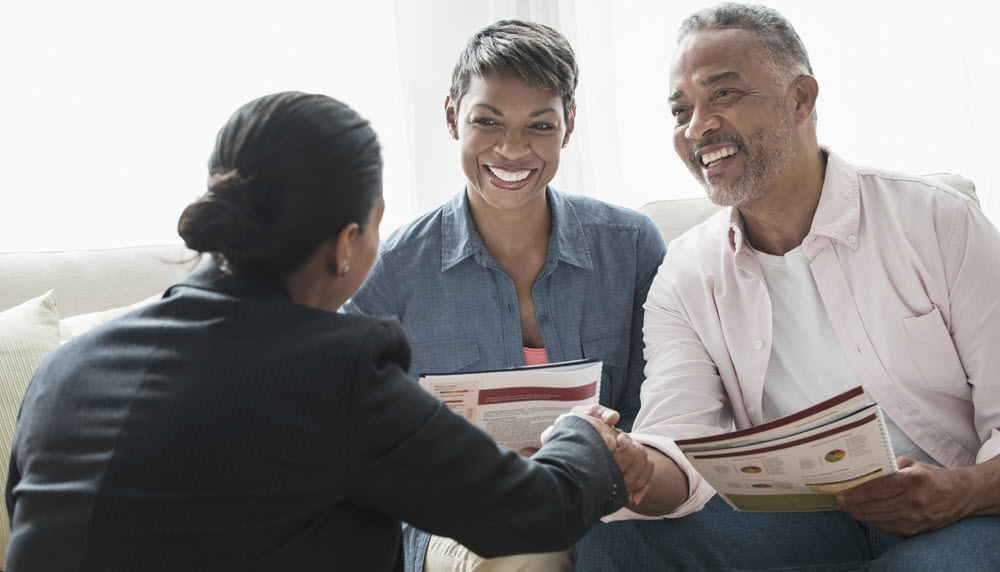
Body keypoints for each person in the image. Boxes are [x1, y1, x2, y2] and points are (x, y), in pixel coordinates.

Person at [3, 92, 651, 571]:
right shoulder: (337, 370)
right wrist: (582, 435)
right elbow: (536, 511)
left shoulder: (68, 368)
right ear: (347, 243)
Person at [575, 3, 1000, 570]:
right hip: (796, 522)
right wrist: (633, 463)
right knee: (609, 541)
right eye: (681, 110)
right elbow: (679, 442)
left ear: (801, 98)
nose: (697, 127)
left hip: (959, 508)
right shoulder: (682, 274)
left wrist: (961, 493)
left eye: (722, 95)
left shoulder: (936, 219)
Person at [344, 19, 665, 572]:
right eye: (487, 121)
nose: (512, 150)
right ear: (452, 117)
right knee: (529, 555)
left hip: (608, 501)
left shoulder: (630, 245)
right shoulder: (393, 268)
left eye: (539, 125)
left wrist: (612, 459)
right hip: (459, 521)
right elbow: (347, 425)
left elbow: (657, 405)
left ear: (567, 127)